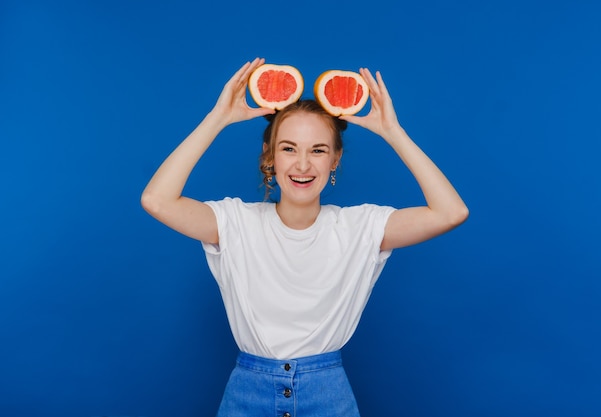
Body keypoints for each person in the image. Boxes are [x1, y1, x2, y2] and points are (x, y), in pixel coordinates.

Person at [141, 57, 468, 416]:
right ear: (270, 157)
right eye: (288, 148)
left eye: (318, 150)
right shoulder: (234, 221)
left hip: (327, 396)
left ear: (335, 161)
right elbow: (157, 200)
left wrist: (393, 131)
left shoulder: (361, 228)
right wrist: (217, 118)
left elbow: (451, 212)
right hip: (247, 395)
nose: (302, 164)